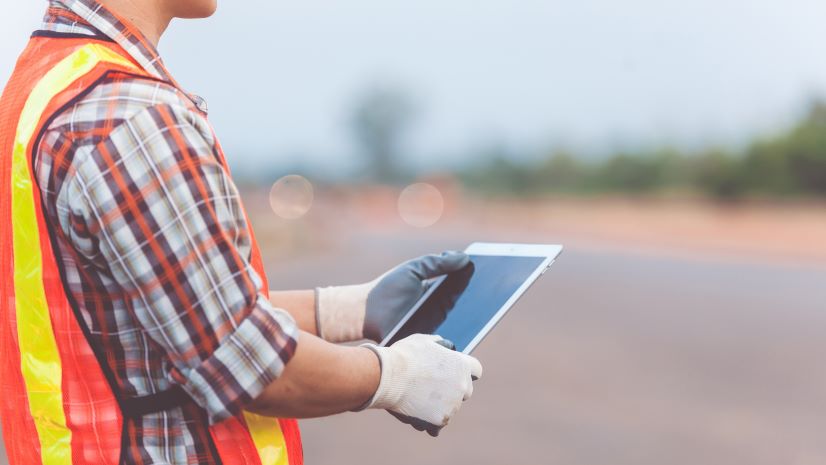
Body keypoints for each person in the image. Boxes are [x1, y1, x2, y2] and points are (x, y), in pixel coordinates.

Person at [0, 1, 482, 464]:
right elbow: (247, 362)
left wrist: (349, 310)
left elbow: (154, 307)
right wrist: (398, 376)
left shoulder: (38, 88)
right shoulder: (129, 115)